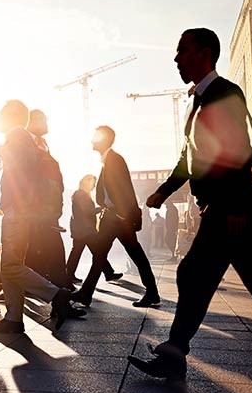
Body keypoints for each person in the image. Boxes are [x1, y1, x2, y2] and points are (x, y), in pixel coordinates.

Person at [128, 28, 252, 381]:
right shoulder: (199, 101)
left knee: (194, 274)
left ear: (205, 53)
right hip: (221, 207)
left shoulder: (224, 93)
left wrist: (237, 206)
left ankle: (174, 354)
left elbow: (239, 153)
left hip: (227, 209)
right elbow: (188, 159)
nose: (176, 58)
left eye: (183, 50)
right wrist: (164, 190)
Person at [0, 100, 83, 334]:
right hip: (20, 211)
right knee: (10, 265)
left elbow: (24, 175)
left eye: (0, 114)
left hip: (18, 213)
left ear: (11, 116)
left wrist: (18, 206)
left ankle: (56, 294)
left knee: (9, 266)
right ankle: (13, 318)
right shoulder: (22, 138)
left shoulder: (17, 137)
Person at [72, 126, 160, 308]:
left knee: (130, 253)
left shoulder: (114, 160)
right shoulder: (108, 161)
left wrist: (123, 216)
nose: (91, 140)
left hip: (118, 219)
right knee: (103, 254)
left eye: (95, 137)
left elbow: (125, 189)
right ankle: (86, 293)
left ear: (104, 139)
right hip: (113, 218)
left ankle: (151, 292)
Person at [24, 109, 70, 288]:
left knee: (43, 252)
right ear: (34, 120)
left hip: (48, 210)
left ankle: (60, 289)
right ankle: (61, 291)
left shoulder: (43, 144)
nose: (47, 124)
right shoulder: (27, 143)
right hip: (36, 210)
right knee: (45, 251)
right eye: (44, 120)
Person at [66, 174, 122, 284]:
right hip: (85, 230)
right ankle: (108, 273)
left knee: (78, 252)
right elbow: (87, 211)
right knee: (97, 252)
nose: (94, 186)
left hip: (80, 229)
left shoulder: (79, 194)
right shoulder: (82, 195)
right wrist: (102, 208)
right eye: (93, 183)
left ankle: (68, 275)